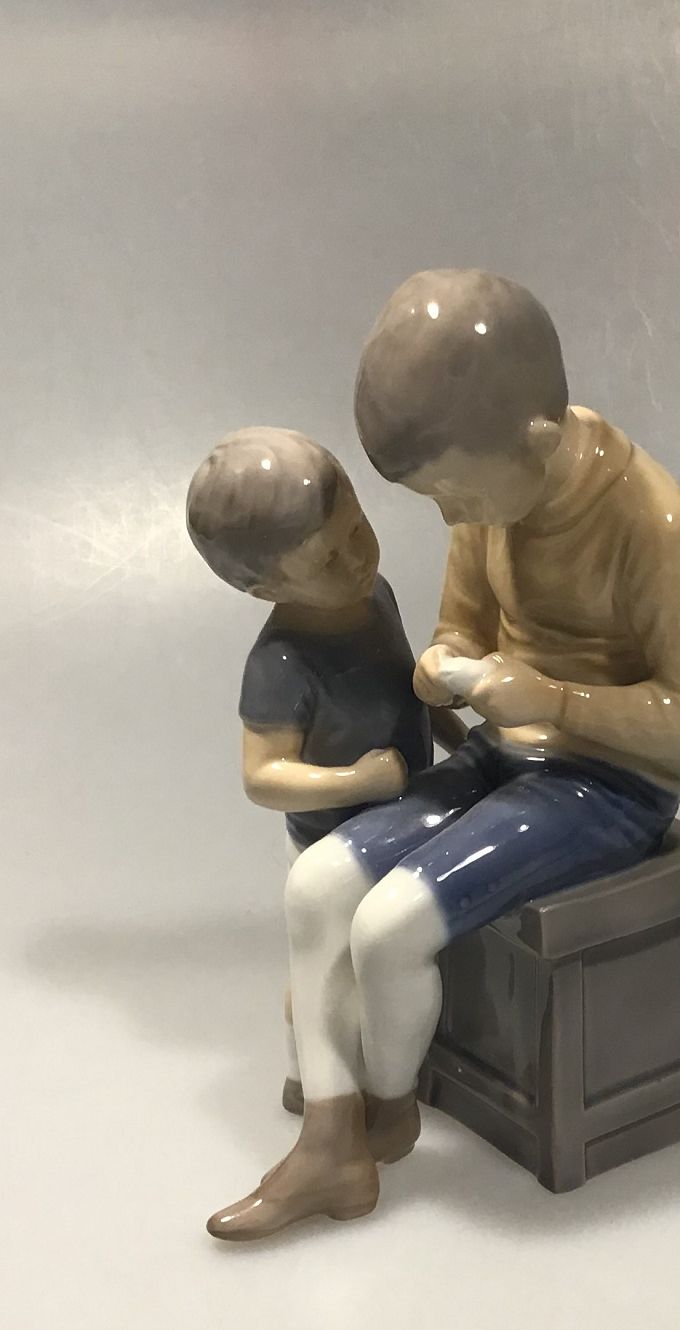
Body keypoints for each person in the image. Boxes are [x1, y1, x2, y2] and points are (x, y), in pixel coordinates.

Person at [206, 271, 680, 1240]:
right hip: (504, 748)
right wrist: (447, 666)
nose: (450, 518)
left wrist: (556, 700)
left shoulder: (653, 523)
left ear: (535, 441)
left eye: (453, 491)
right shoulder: (489, 494)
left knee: (387, 928)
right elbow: (459, 628)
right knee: (316, 888)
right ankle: (331, 1142)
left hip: (611, 784)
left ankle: (389, 1112)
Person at [187, 427, 460, 1123]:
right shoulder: (280, 664)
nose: (359, 558)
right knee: (328, 969)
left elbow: (403, 685)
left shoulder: (377, 597)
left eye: (359, 529)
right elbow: (263, 775)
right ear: (265, 588)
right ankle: (304, 1074)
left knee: (386, 954)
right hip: (330, 839)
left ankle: (397, 1063)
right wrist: (353, 784)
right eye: (329, 559)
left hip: (404, 814)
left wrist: (452, 727)